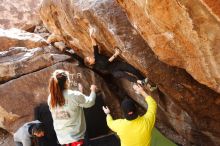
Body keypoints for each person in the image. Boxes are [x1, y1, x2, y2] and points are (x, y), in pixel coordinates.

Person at [84, 35, 157, 91]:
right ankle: (141, 82)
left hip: (118, 64)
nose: (90, 57)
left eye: (89, 57)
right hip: (114, 71)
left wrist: (91, 36)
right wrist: (115, 54)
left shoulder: (96, 56)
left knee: (134, 70)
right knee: (125, 75)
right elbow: (106, 63)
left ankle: (148, 85)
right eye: (89, 59)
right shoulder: (96, 67)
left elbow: (94, 46)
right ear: (90, 63)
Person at [48, 69, 97, 146]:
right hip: (76, 139)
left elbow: (68, 106)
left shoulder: (51, 98)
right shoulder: (73, 95)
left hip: (62, 140)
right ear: (67, 81)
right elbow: (90, 102)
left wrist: (80, 93)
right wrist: (93, 91)